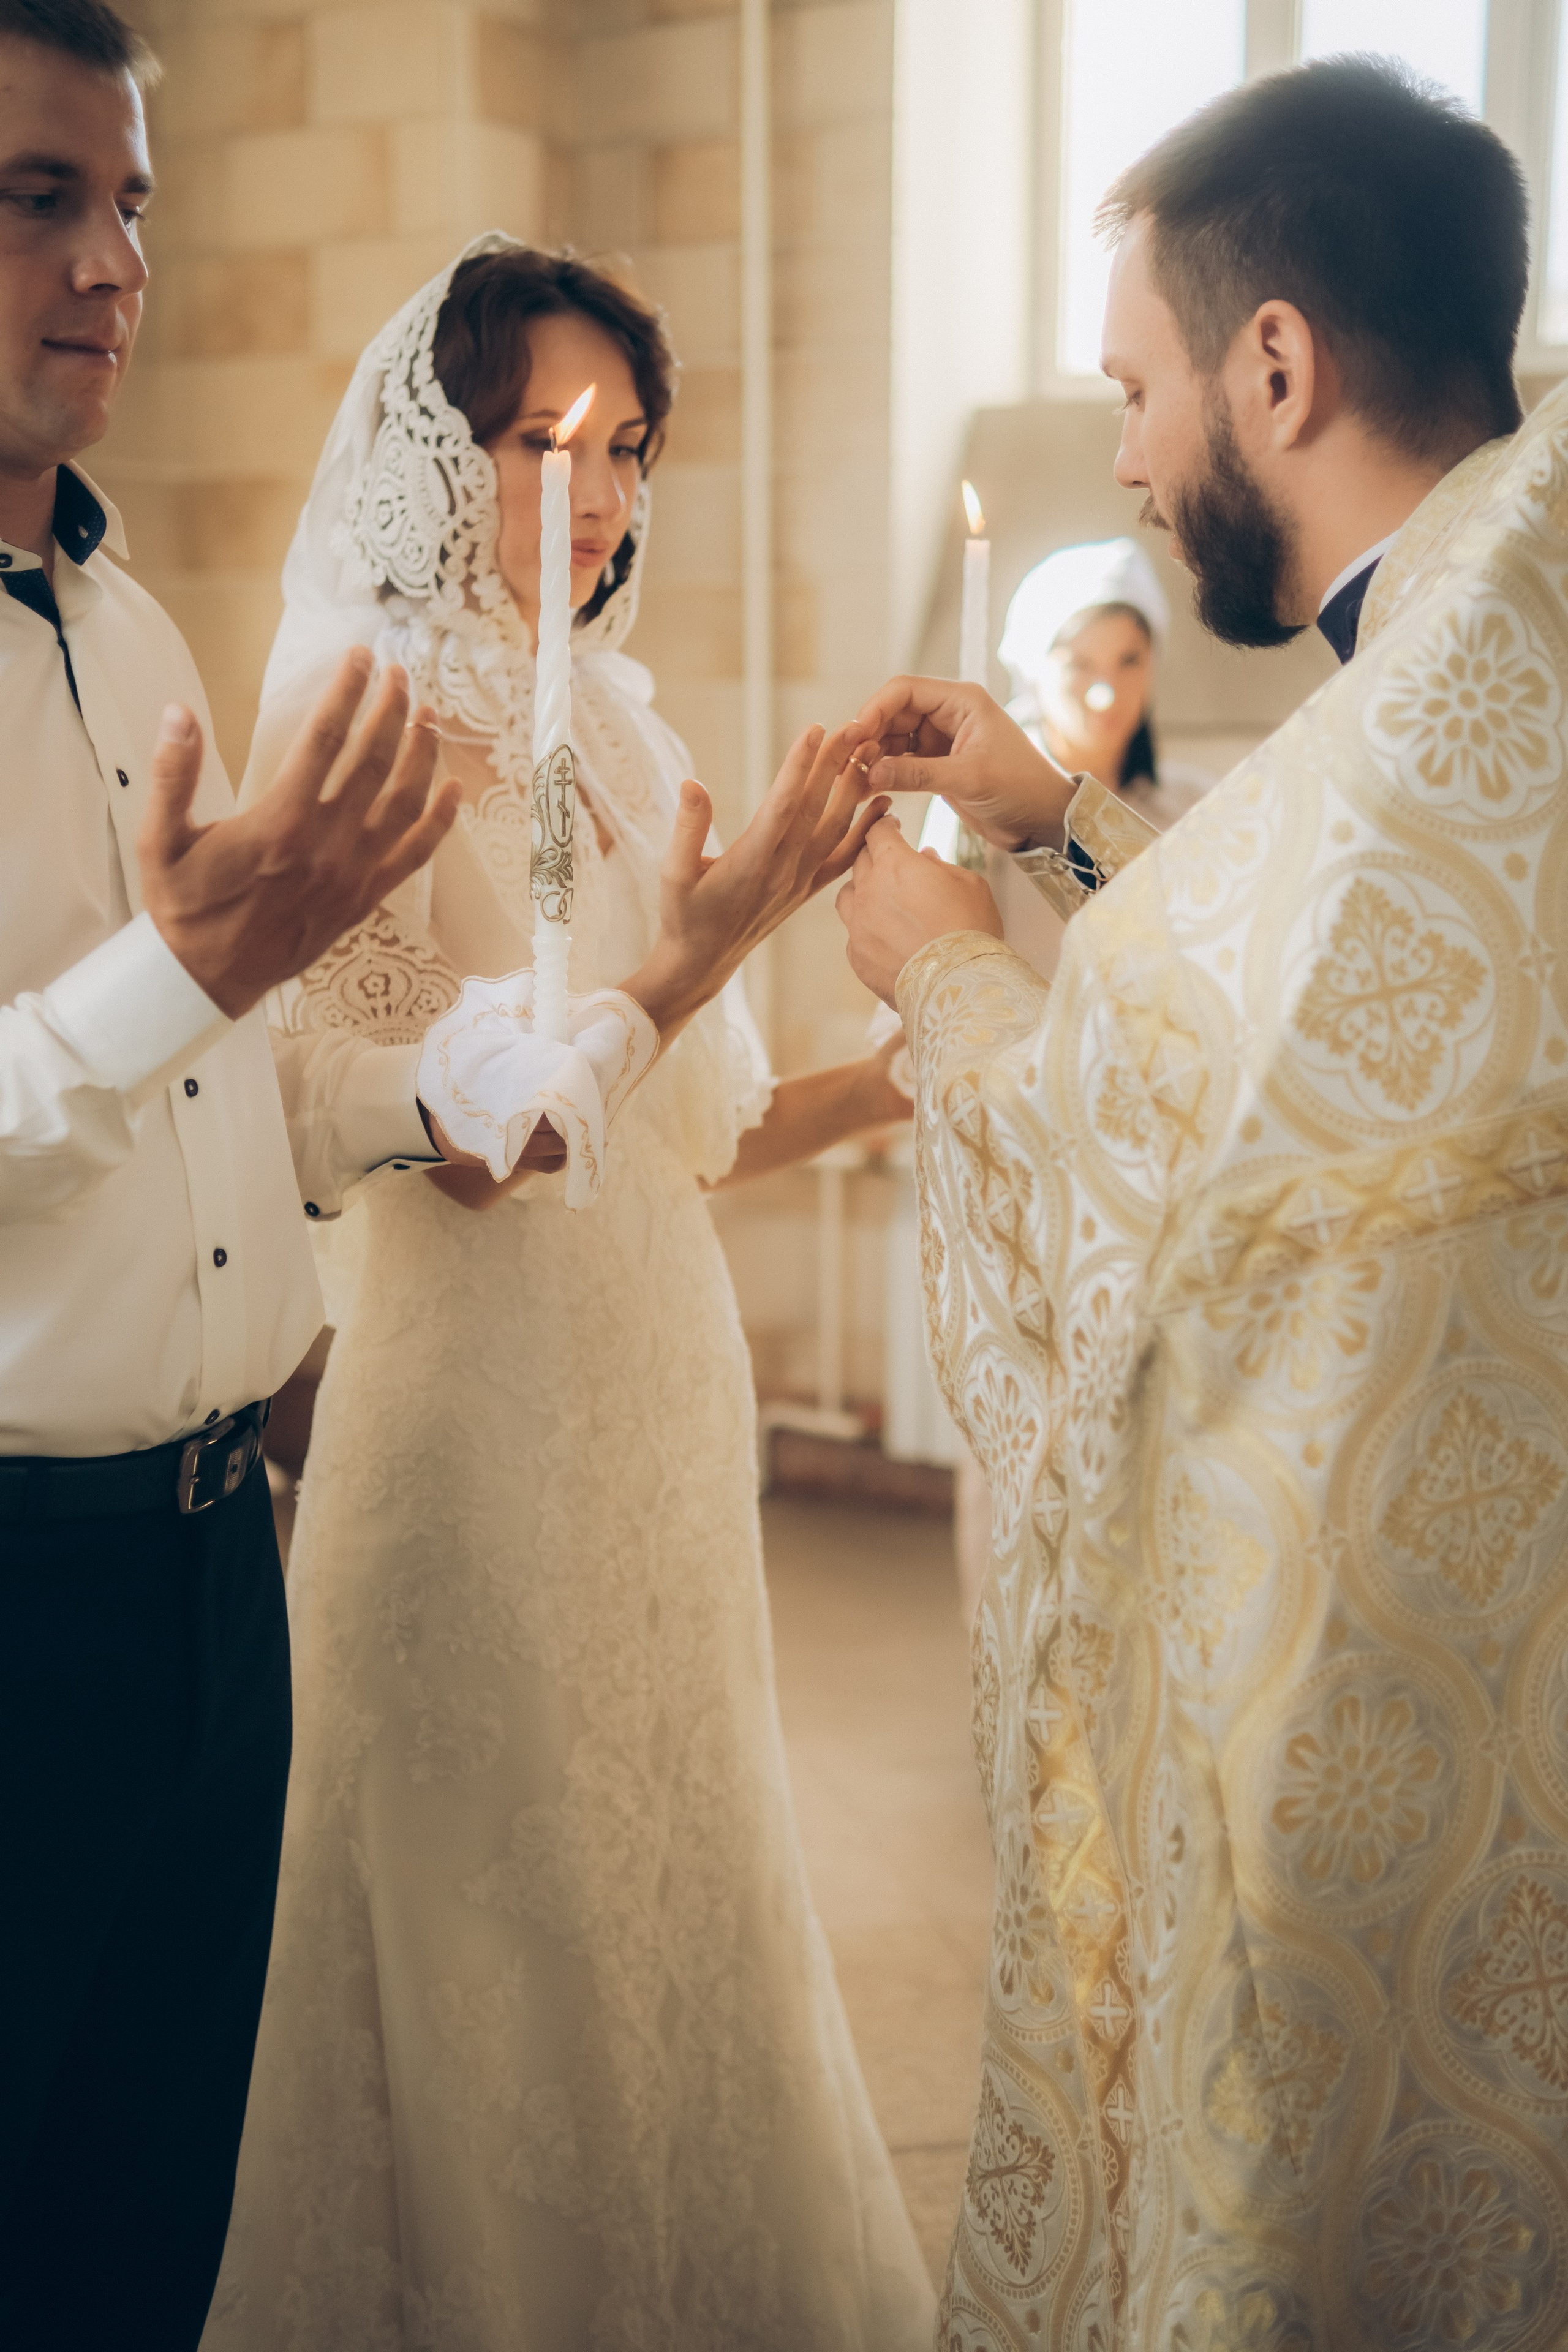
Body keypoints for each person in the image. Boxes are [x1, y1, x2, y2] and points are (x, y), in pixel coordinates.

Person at [839, 54, 1568, 2350]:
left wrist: (950, 981)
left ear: (1275, 360)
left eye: (1133, 388)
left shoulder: (1463, 655)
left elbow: (1171, 1216)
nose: (1131, 463)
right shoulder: (1487, 648)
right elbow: (1325, 1034)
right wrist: (1062, 824)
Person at [201, 239, 933, 2352]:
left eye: (623, 445)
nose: (590, 492)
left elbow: (681, 1129)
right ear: (446, 454)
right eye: (538, 440)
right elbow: (431, 1127)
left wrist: (930, 1059)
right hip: (471, 1409)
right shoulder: (368, 728)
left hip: (658, 1404)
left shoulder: (614, 720)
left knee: (671, 1891)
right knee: (490, 1935)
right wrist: (718, 916)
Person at [997, 534, 1210, 832]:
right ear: (1035, 673)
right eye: (1080, 665)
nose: (1106, 694)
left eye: (1129, 661)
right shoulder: (988, 816)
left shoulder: (1197, 812)